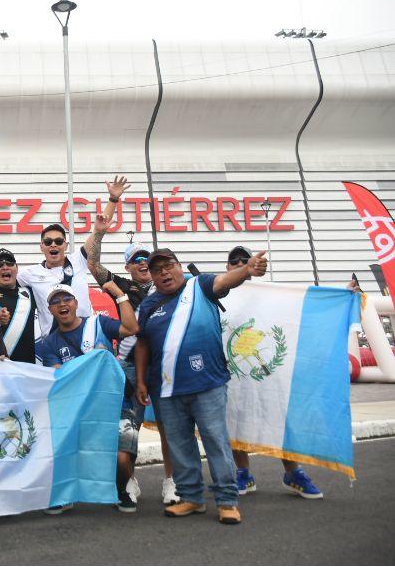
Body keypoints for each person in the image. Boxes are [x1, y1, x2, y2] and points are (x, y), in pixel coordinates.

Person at [135, 247, 267, 525]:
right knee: (179, 445)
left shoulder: (201, 285)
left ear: (179, 266)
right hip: (166, 389)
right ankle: (191, 498)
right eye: (157, 270)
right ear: (153, 276)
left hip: (207, 383)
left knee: (216, 441)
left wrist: (247, 269)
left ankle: (228, 501)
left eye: (168, 265)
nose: (164, 273)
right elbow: (143, 343)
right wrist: (141, 379)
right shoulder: (148, 305)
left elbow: (225, 281)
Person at [87, 216, 180, 506]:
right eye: (136, 259)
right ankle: (128, 479)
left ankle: (172, 481)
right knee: (131, 426)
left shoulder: (173, 286)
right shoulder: (124, 286)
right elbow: (93, 266)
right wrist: (99, 234)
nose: (143, 263)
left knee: (169, 425)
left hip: (166, 364)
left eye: (147, 259)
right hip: (129, 362)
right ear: (128, 266)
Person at [224, 245, 324, 500]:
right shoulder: (219, 292)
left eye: (243, 260)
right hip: (233, 373)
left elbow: (309, 309)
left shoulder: (276, 295)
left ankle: (293, 473)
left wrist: (344, 297)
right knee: (234, 419)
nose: (238, 263)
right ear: (227, 267)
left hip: (269, 373)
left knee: (280, 420)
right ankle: (243, 472)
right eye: (233, 261)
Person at [33, 282, 138, 513]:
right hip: (78, 409)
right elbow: (60, 376)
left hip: (116, 404)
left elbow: (131, 329)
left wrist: (120, 296)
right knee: (61, 449)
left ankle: (120, 489)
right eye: (55, 301)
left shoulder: (98, 323)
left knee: (122, 459)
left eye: (66, 299)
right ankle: (64, 494)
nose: (62, 304)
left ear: (76, 303)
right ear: (49, 309)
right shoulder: (49, 343)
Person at [17, 176, 129, 339]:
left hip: (87, 336)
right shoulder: (28, 274)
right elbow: (4, 287)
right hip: (53, 343)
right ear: (41, 246)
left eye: (58, 241)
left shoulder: (78, 259)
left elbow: (99, 231)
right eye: (48, 242)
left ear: (66, 245)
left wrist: (113, 199)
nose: (53, 245)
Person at [0, 249, 35, 363]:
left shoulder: (30, 292)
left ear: (17, 268)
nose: (5, 267)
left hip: (29, 366)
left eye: (9, 263)